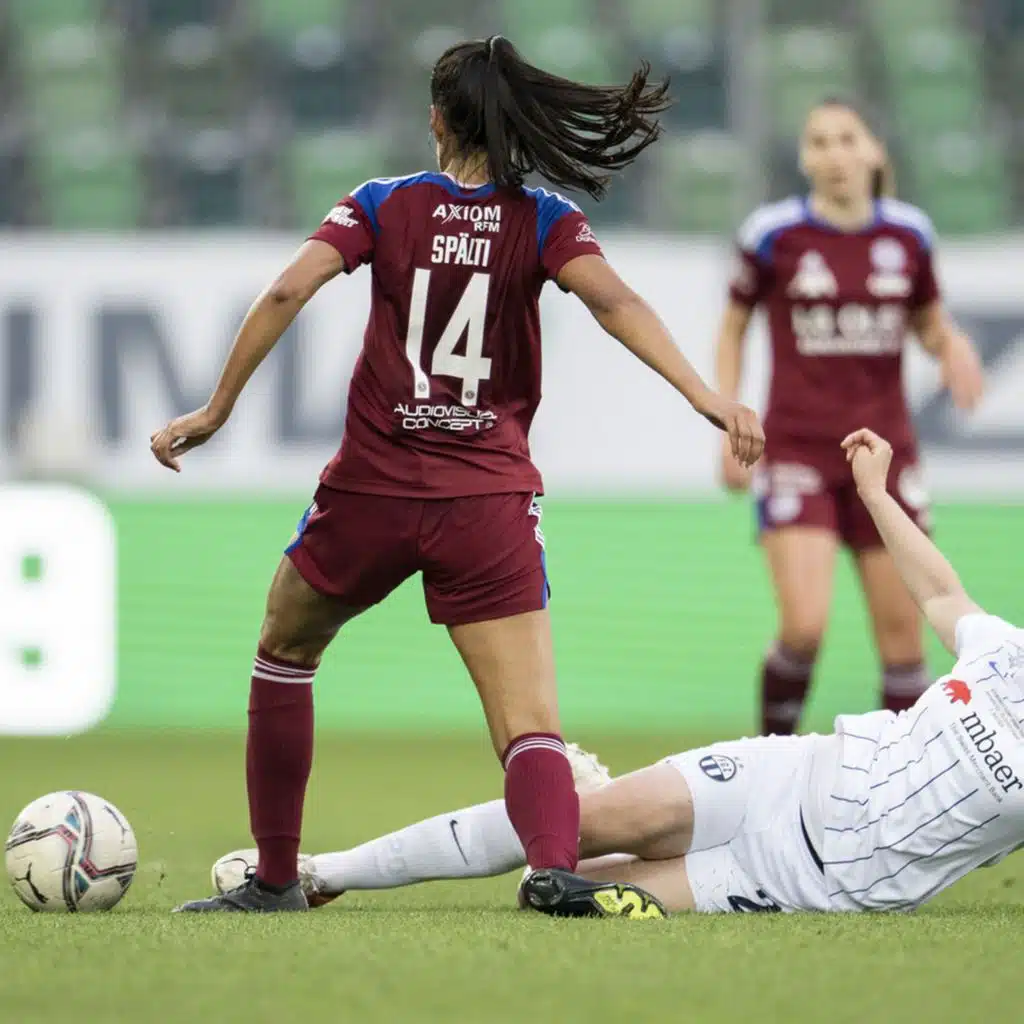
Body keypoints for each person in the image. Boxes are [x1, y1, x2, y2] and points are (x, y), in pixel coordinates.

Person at [149, 36, 764, 916]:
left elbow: (288, 291)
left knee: (284, 650)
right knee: (528, 725)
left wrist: (215, 409)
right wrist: (707, 398)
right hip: (485, 500)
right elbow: (614, 301)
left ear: (436, 120)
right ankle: (555, 872)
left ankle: (279, 877)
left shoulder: (382, 205)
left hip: (371, 490)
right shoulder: (544, 218)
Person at [213, 429, 1024, 915]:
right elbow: (944, 591)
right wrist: (877, 495)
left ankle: (572, 825)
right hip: (793, 772)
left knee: (567, 901)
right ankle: (325, 874)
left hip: (816, 877)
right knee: (569, 829)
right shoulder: (1005, 651)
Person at [714, 98, 984, 737]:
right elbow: (733, 327)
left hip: (884, 458)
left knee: (905, 648)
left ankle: (904, 796)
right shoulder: (772, 235)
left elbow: (926, 322)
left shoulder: (909, 235)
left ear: (874, 151)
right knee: (803, 627)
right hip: (799, 451)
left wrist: (952, 346)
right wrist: (729, 415)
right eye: (818, 143)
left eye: (846, 139)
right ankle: (768, 765)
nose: (833, 155)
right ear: (804, 158)